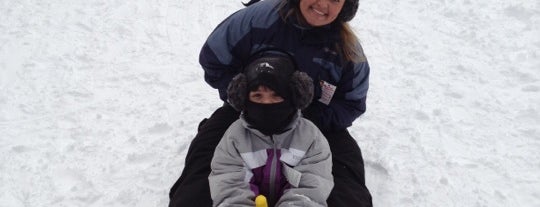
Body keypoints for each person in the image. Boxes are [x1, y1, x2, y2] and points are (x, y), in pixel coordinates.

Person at [169, 0, 372, 206]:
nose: (322, 3)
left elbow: (351, 102)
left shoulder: (348, 50)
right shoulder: (255, 20)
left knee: (348, 182)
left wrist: (307, 119)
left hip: (317, 121)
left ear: (345, 6)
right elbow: (213, 59)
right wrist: (241, 94)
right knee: (203, 166)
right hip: (248, 110)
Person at [209, 53, 333, 207]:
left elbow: (311, 189)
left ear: (293, 97)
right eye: (257, 95)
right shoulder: (234, 137)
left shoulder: (310, 137)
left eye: (276, 95)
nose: (267, 103)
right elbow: (229, 186)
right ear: (244, 98)